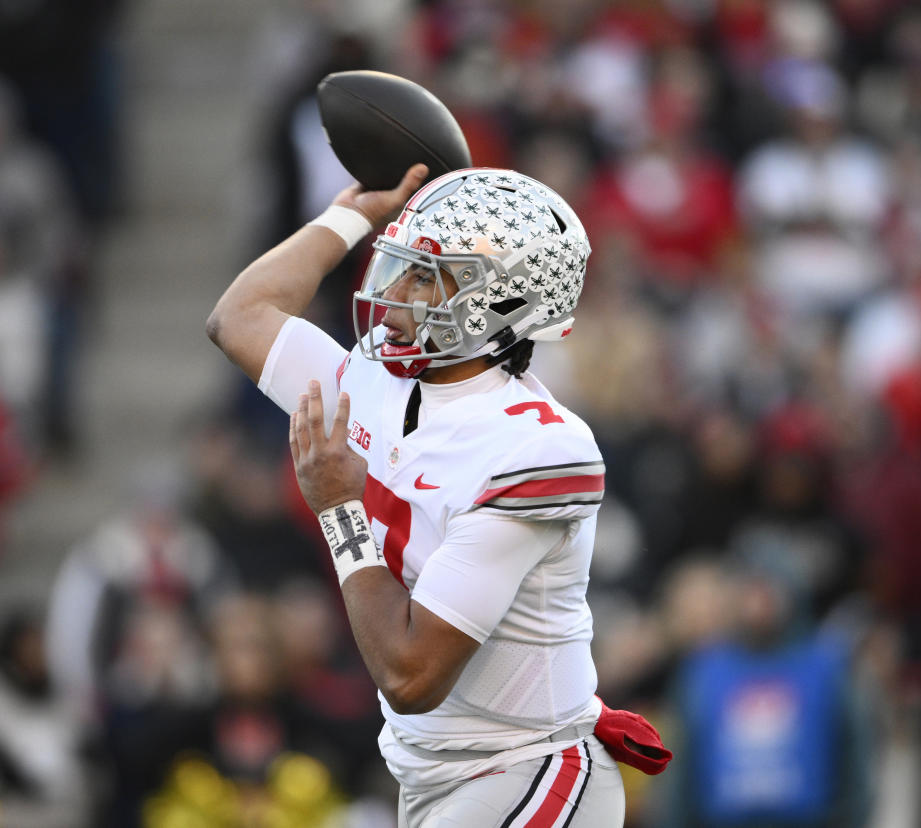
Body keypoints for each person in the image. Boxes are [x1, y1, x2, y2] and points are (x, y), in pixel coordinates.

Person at [208, 163, 668, 825]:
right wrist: (352, 217)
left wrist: (340, 511)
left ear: (501, 300)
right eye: (398, 263)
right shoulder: (373, 376)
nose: (393, 290)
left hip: (528, 767)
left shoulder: (538, 448)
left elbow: (412, 675)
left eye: (425, 273)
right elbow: (238, 317)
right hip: (433, 771)